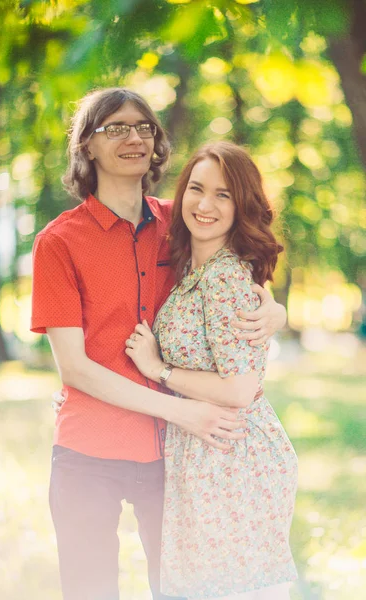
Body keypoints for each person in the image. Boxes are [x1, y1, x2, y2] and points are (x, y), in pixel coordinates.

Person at [30, 88, 287, 600]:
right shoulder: (58, 242)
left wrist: (275, 311)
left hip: (172, 457)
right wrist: (182, 412)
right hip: (90, 451)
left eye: (143, 127)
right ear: (87, 146)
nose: (133, 138)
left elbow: (241, 271)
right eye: (115, 128)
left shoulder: (184, 218)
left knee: (176, 591)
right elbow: (74, 369)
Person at [125, 142, 298, 600]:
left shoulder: (223, 277)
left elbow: (240, 388)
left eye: (223, 195)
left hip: (231, 456)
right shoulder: (194, 271)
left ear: (242, 206)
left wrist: (158, 370)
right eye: (197, 189)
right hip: (201, 450)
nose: (205, 205)